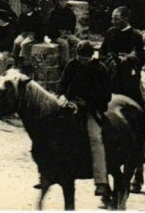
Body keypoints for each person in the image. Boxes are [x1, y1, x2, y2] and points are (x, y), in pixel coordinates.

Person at [55, 40, 112, 203]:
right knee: (52, 130)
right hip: (70, 105)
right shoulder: (72, 64)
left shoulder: (100, 68)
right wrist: (62, 96)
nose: (82, 61)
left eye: (86, 58)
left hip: (90, 108)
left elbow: (106, 95)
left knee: (95, 137)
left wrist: (88, 103)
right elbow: (62, 83)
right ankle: (47, 173)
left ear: (91, 56)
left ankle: (101, 181)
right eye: (80, 58)